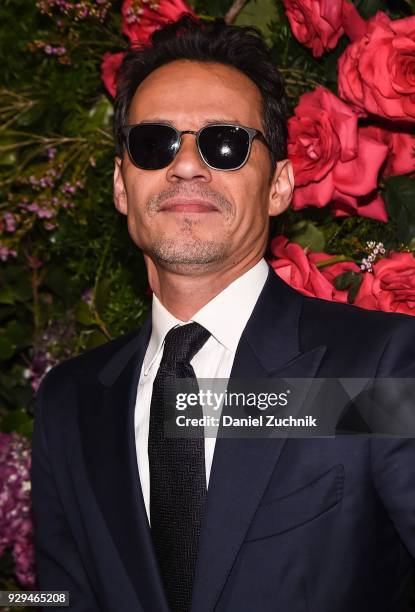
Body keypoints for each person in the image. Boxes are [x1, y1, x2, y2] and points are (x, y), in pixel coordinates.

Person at [31, 14, 415, 612]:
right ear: (120, 184)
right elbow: (56, 596)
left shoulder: (375, 368)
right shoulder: (71, 399)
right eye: (154, 143)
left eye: (226, 143)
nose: (186, 165)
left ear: (280, 185)